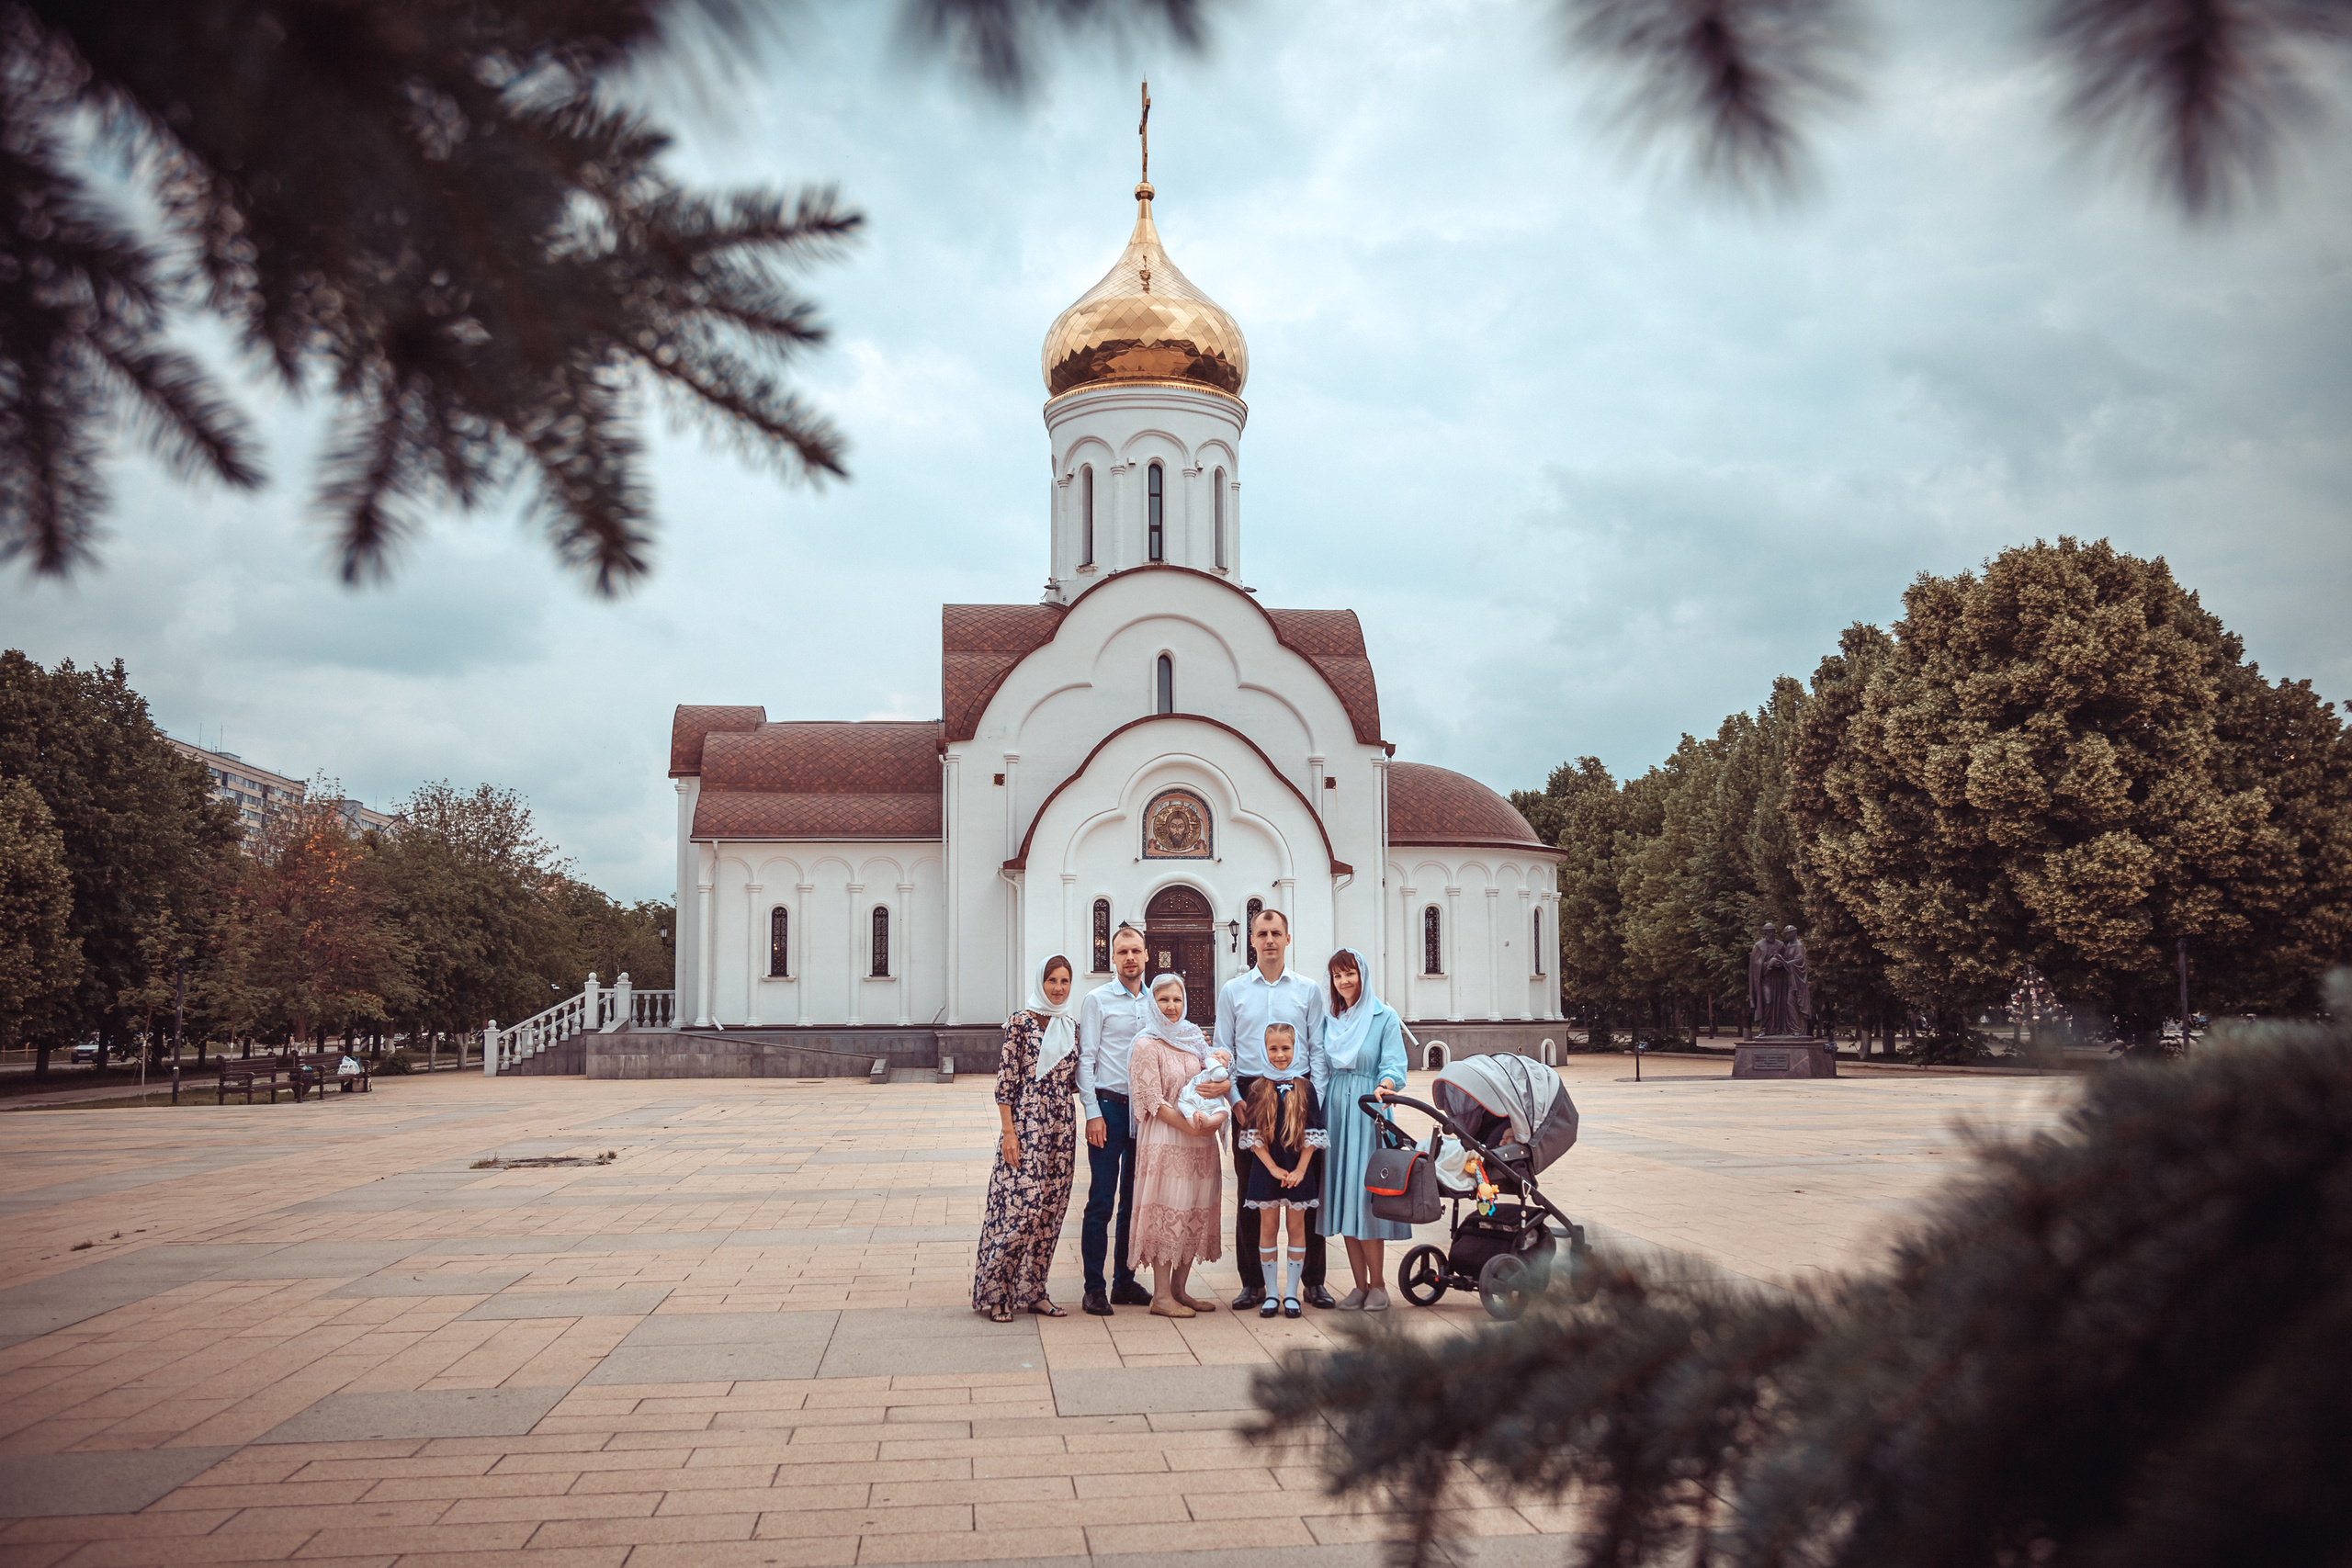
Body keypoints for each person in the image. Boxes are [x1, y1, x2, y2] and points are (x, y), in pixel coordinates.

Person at [1216, 907, 1335, 1309]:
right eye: (1261, 933)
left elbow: (1317, 1049)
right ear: (1251, 940)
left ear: (1287, 939)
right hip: (1251, 1093)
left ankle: (1313, 1283)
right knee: (1254, 1192)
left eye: (1276, 933)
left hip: (1298, 1092)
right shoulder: (1233, 991)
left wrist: (1311, 1099)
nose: (1269, 939)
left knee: (1306, 1191)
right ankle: (1253, 1284)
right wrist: (1234, 1101)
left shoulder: (1306, 990)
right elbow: (1222, 1052)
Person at [971, 955, 1082, 1324]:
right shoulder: (1020, 1023)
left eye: (1065, 981)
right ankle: (998, 1292)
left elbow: (1076, 1080)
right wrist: (1008, 1132)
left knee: (1050, 1211)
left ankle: (1035, 1290)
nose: (1058, 987)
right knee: (1021, 1209)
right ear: (1041, 981)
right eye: (1052, 980)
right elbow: (1005, 1083)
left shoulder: (1071, 1025)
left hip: (1062, 1129)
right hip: (1026, 1126)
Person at [1128, 972, 1227, 1318]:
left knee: (1193, 1209)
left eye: (1177, 1000)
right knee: (1167, 1209)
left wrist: (1219, 1090)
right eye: (1164, 1000)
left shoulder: (1193, 1039)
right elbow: (1152, 1100)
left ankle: (1180, 1289)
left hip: (1199, 1141)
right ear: (1152, 1004)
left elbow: (1209, 1077)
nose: (1172, 1007)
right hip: (1167, 1138)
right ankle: (1160, 1296)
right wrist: (1190, 1127)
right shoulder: (1145, 1044)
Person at [1317, 946, 1409, 1309]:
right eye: (1337, 975)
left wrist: (1385, 1085)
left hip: (1369, 1111)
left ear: (1363, 974)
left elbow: (1393, 1063)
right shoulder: (1331, 1020)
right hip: (1336, 1113)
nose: (1344, 981)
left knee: (1367, 1198)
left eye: (1350, 973)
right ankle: (1359, 1285)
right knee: (1344, 1198)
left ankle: (1380, 1285)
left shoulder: (1383, 1017)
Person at [1076, 924, 1156, 1315]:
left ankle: (1124, 1281)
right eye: (1122, 952)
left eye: (1135, 951)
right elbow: (1085, 1060)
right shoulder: (1098, 999)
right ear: (1113, 957)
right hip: (1108, 1109)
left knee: (1134, 1201)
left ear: (1146, 954)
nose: (1129, 958)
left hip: (1144, 1112)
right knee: (1102, 1200)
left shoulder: (1154, 1001)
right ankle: (1094, 1287)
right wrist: (1092, 1112)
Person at [1238, 1022, 1326, 1318]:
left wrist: (1301, 1170)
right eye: (1273, 1049)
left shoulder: (1305, 1087)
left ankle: (1291, 1293)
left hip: (1297, 1168)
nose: (1279, 1055)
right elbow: (1253, 1137)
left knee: (1297, 1227)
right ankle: (1271, 1292)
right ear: (1264, 1050)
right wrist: (1273, 1168)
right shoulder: (1257, 1088)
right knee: (1268, 1227)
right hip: (1268, 1170)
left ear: (1295, 1049)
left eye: (1285, 1048)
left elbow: (1313, 1133)